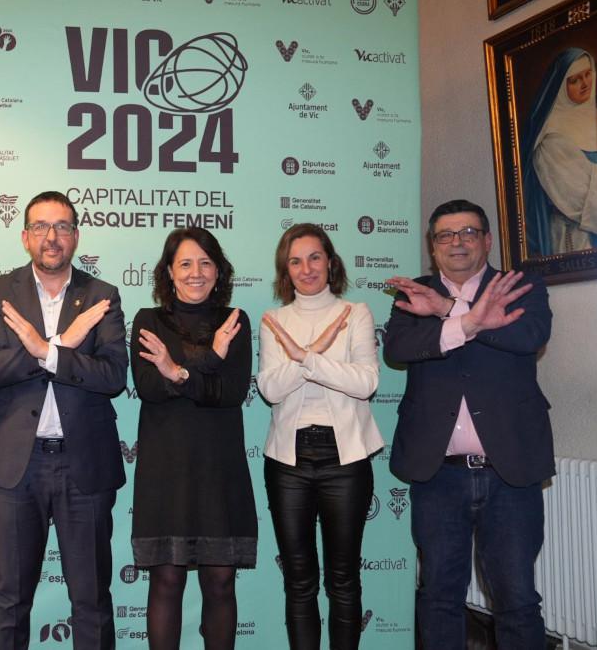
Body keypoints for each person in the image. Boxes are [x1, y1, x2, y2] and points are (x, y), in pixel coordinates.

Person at [384, 199, 553, 650]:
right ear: (433, 246)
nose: (456, 242)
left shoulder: (520, 286)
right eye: (445, 235)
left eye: (468, 232)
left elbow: (529, 336)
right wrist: (465, 318)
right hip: (439, 475)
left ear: (487, 240)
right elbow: (400, 348)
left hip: (509, 472)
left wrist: (450, 308)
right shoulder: (414, 294)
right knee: (439, 596)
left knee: (517, 600)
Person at [0, 191, 128, 650]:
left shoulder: (102, 296)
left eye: (61, 226)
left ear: (76, 235)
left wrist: (46, 351)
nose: (51, 236)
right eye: (40, 226)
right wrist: (59, 346)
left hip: (84, 465)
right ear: (25, 237)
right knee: (10, 597)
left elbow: (113, 376)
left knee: (91, 599)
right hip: (16, 466)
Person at [130, 227, 256, 650]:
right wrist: (210, 359)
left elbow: (230, 393)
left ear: (218, 271)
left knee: (220, 580)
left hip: (219, 467)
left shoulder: (234, 321)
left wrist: (178, 372)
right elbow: (150, 387)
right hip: (166, 467)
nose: (195, 272)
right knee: (166, 579)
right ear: (169, 271)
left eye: (205, 263)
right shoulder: (148, 321)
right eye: (185, 263)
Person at [257, 223, 382, 650]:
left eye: (314, 257)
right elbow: (270, 389)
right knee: (299, 580)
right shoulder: (274, 320)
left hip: (345, 460)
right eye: (295, 261)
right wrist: (312, 356)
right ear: (285, 269)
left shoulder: (355, 313)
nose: (306, 268)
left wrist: (305, 358)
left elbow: (365, 383)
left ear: (330, 261)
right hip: (288, 462)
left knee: (343, 578)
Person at [522, 47, 597, 256]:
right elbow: (582, 198)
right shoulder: (551, 136)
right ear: (560, 86)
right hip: (578, 239)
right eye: (574, 80)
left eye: (588, 74)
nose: (585, 83)